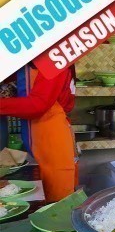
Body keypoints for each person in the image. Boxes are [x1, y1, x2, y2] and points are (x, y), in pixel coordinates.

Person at [0, 65, 77, 202]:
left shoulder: (55, 59)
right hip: (37, 137)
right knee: (43, 199)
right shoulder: (34, 60)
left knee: (57, 202)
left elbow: (37, 105)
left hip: (53, 136)